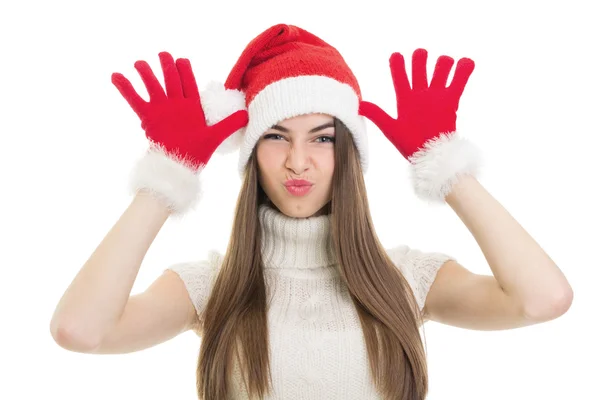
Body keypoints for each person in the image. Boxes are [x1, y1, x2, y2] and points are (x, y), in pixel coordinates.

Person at [49, 23, 573, 400]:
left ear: (348, 152)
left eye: (322, 138)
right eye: (275, 136)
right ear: (251, 152)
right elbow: (79, 330)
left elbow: (543, 299)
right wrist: (167, 175)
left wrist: (446, 167)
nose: (298, 161)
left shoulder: (407, 280)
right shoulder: (212, 287)